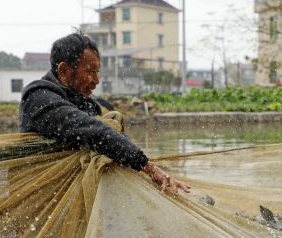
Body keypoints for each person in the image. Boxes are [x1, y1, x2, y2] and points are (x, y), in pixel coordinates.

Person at [20, 33, 190, 195]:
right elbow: (92, 131)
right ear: (64, 71)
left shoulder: (87, 101)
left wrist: (146, 166)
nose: (96, 81)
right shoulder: (39, 97)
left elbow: (110, 136)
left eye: (97, 72)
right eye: (90, 71)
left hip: (77, 187)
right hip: (45, 192)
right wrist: (149, 167)